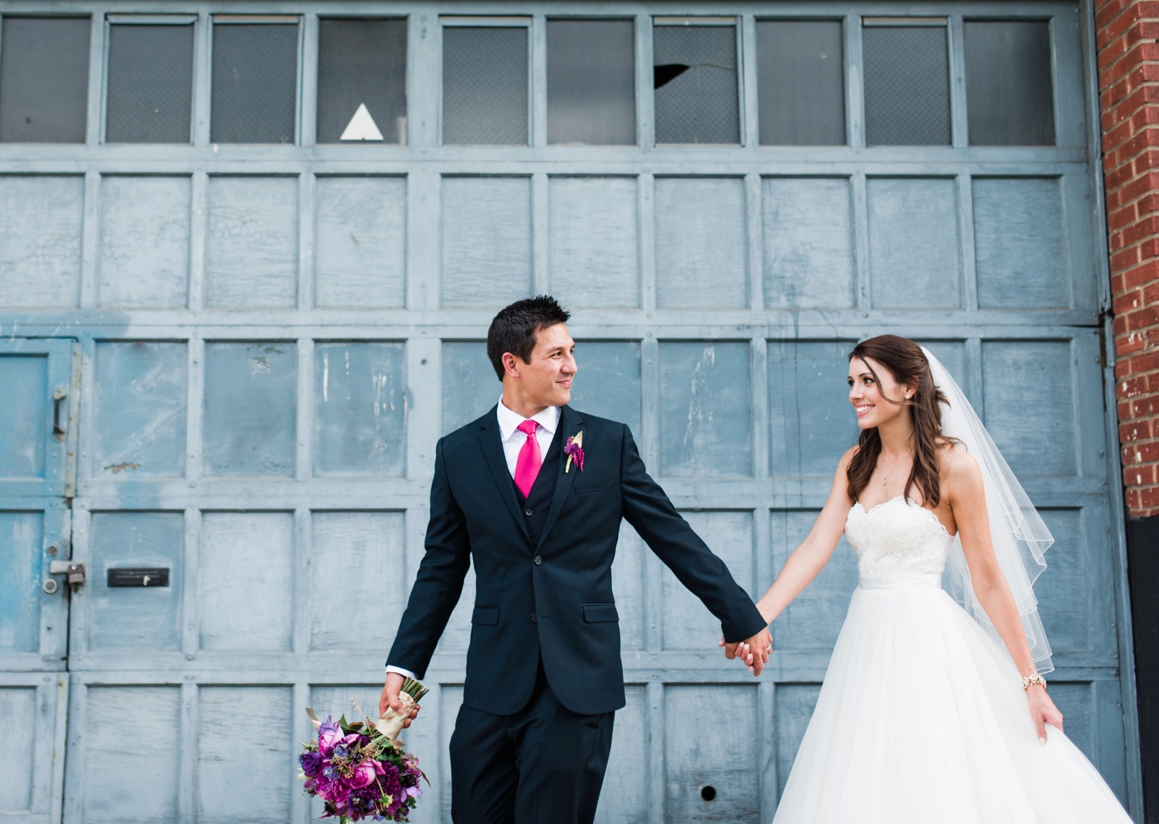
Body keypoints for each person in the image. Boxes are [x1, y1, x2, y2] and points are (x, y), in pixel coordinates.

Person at [379, 296, 771, 824]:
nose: (572, 365)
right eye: (556, 354)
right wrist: (404, 665)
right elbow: (441, 569)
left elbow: (671, 535)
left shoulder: (607, 443)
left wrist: (741, 616)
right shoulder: (458, 453)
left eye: (572, 351)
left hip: (577, 681)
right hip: (493, 684)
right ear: (511, 364)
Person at [749, 335, 1133, 822]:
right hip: (865, 640)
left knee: (933, 767)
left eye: (868, 381)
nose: (855, 393)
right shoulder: (854, 464)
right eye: (851, 382)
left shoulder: (955, 466)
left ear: (909, 388)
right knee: (866, 771)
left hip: (928, 643)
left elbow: (989, 580)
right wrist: (755, 616)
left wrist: (1032, 682)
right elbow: (815, 547)